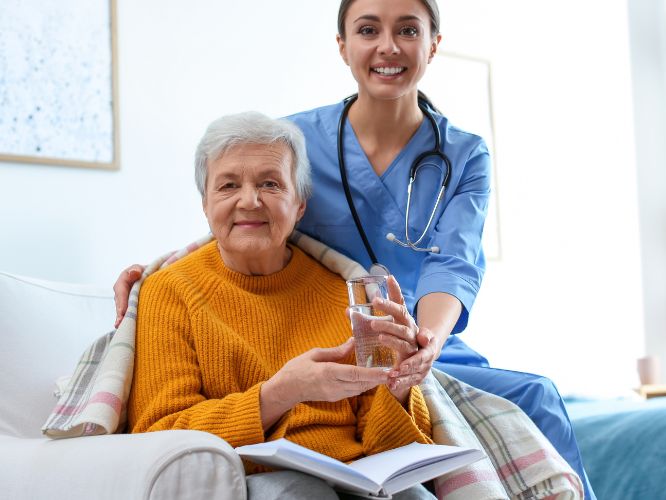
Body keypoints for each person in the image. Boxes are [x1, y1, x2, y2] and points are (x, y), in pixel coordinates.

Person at [116, 0, 594, 496]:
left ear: (434, 44)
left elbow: (452, 266)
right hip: (337, 338)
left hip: (425, 338)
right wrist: (153, 273)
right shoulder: (295, 138)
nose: (388, 46)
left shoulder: (464, 154)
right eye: (368, 29)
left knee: (536, 394)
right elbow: (248, 212)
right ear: (343, 45)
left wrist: (420, 345)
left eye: (408, 29)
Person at [127, 112, 436, 500]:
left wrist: (399, 385)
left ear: (300, 205)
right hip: (255, 479)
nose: (249, 201)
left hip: (357, 476)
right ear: (205, 204)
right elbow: (158, 435)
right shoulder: (169, 291)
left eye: (270, 184)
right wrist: (280, 394)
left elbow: (387, 447)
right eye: (228, 185)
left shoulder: (344, 292)